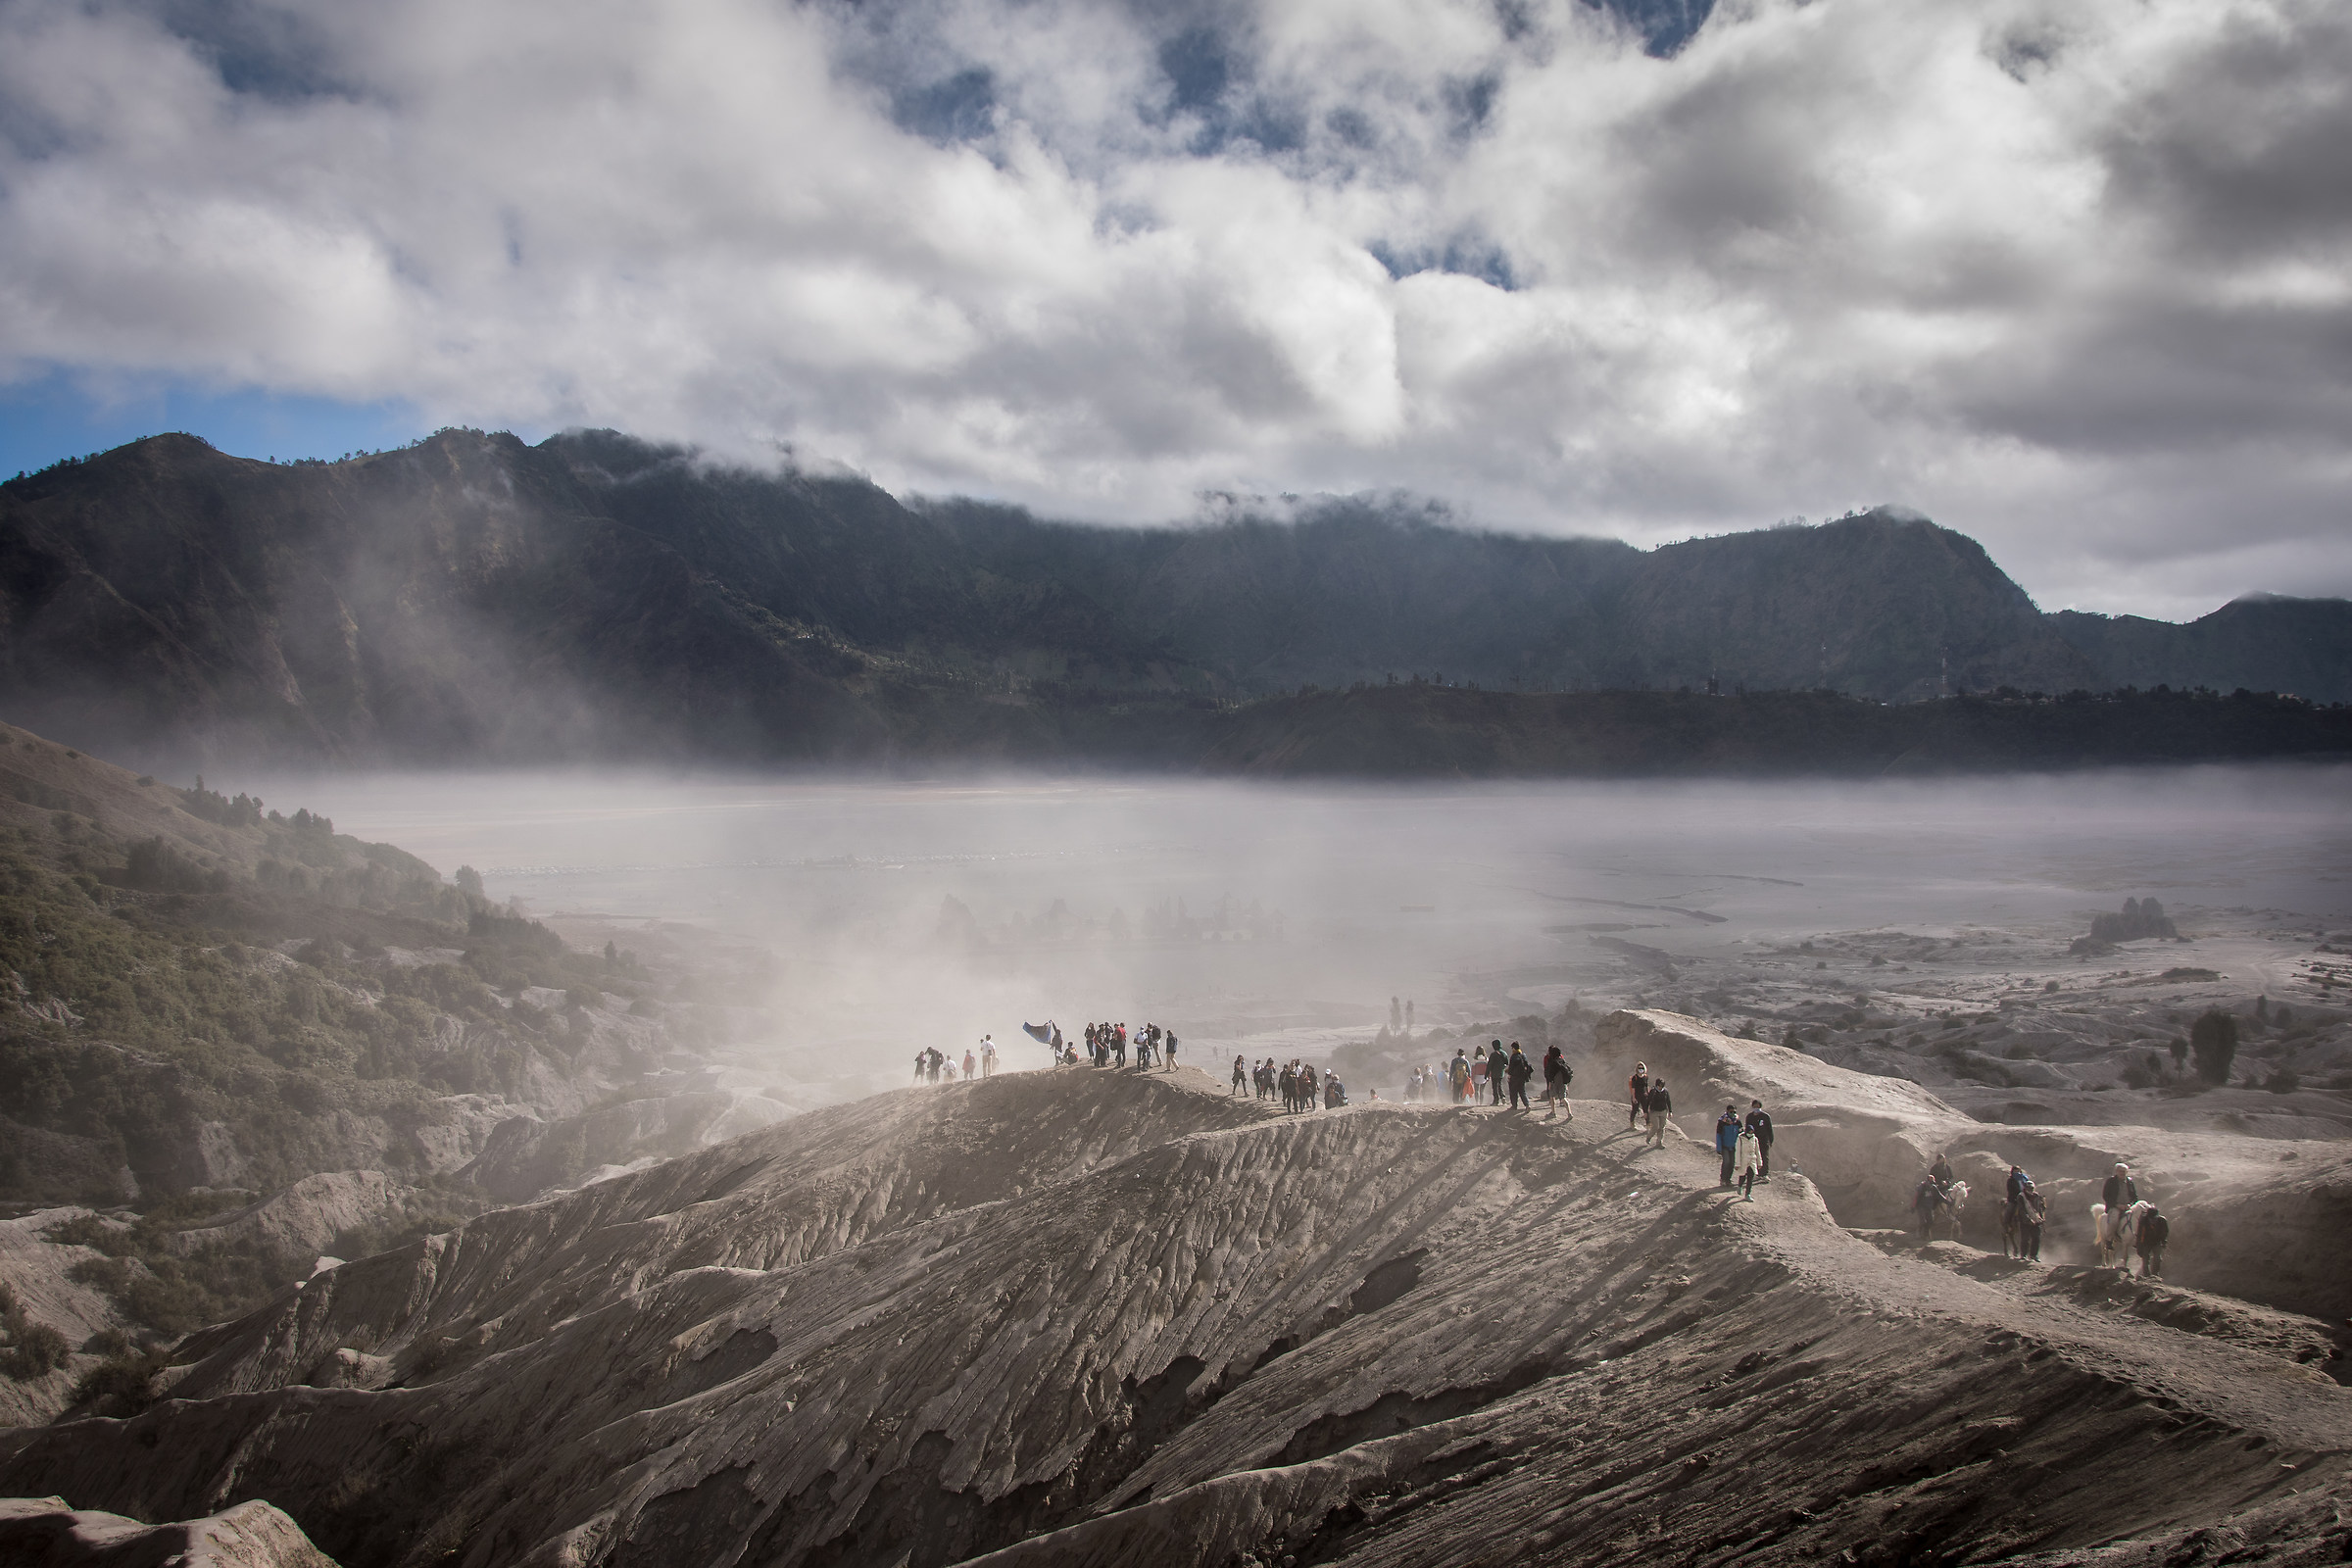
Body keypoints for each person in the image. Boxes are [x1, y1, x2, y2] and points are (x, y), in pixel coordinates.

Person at [1742, 1100, 1774, 1180]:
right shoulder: (1749, 1117)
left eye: (1758, 1107)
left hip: (1763, 1140)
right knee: (1753, 1157)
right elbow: (1747, 1129)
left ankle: (1764, 1174)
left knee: (1764, 1156)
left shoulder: (1765, 1116)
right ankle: (1753, 1173)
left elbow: (1769, 1129)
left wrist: (1771, 1140)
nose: (1756, 1108)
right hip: (1753, 1139)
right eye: (1755, 1107)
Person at [2135, 1205, 2169, 1278]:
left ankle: (2155, 1274)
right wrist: (2139, 1246)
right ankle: (2146, 1275)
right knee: (2145, 1259)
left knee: (2157, 1258)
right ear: (2148, 1217)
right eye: (2151, 1219)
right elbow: (2140, 1235)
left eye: (2155, 1218)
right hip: (2146, 1242)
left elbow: (2164, 1232)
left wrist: (2163, 1241)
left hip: (2157, 1242)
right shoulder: (2143, 1221)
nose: (2153, 1220)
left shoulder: (2162, 1221)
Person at [1735, 1121, 1763, 1200]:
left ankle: (1748, 1194)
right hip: (1743, 1159)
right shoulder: (1740, 1138)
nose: (1751, 1133)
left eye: (1752, 1132)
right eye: (1749, 1132)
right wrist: (1737, 1164)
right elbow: (1737, 1151)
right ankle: (1740, 1186)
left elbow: (1757, 1151)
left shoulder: (1755, 1139)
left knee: (1750, 1177)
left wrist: (1759, 1163)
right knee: (1743, 1176)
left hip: (1752, 1160)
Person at [1715, 1104, 1742, 1186]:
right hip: (1725, 1146)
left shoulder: (1738, 1122)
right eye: (1731, 1112)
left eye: (1734, 1112)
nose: (1732, 1113)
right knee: (1726, 1162)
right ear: (1727, 1111)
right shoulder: (1722, 1122)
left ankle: (1728, 1179)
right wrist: (1719, 1147)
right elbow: (1718, 1135)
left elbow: (1741, 1135)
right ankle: (1723, 1179)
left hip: (1734, 1146)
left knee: (1732, 1163)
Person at [1543, 1045, 1572, 1120]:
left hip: (1555, 1081)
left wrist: (1550, 1083)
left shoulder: (1552, 1062)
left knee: (1552, 1096)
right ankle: (1569, 1113)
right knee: (1563, 1097)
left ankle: (1553, 1113)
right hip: (1563, 1081)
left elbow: (1551, 1074)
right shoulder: (1562, 1061)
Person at [1642, 1077, 1672, 1148]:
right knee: (1655, 1127)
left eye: (1662, 1086)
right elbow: (1647, 1102)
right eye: (1659, 1086)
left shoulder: (1665, 1091)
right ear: (1656, 1085)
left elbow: (1668, 1101)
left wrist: (1670, 1111)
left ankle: (1659, 1143)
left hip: (1663, 1111)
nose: (1660, 1088)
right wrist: (1645, 1112)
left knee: (1662, 1127)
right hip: (1654, 1112)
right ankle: (1649, 1136)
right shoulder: (1653, 1091)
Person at [1505, 1043, 1533, 1110]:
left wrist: (1509, 1075)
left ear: (1513, 1048)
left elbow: (1511, 1068)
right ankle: (1527, 1105)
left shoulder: (1513, 1057)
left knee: (1513, 1091)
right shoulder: (1523, 1056)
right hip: (1522, 1076)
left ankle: (1514, 1106)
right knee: (1522, 1091)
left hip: (1514, 1077)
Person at [1628, 1061, 1650, 1129]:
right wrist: (1633, 1097)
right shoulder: (1634, 1078)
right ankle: (1632, 1123)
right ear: (1637, 1069)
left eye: (1642, 1068)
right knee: (1635, 1109)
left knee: (1646, 1110)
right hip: (1636, 1095)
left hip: (1644, 1095)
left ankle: (1648, 1124)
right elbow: (1633, 1088)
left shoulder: (1645, 1077)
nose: (1641, 1069)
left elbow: (1647, 1086)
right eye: (1639, 1068)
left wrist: (1649, 1094)